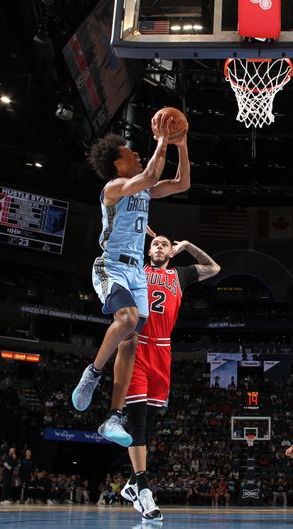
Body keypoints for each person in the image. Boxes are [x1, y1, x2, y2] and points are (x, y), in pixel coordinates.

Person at [72, 116, 191, 447]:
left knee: (130, 342)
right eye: (129, 153)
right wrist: (163, 139)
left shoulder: (145, 188)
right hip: (111, 266)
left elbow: (182, 183)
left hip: (137, 272)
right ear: (116, 163)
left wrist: (181, 144)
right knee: (124, 319)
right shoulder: (112, 188)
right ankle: (93, 374)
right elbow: (151, 173)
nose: (136, 155)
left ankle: (113, 417)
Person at [116, 235, 220, 520]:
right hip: (137, 345)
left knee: (147, 426)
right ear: (148, 250)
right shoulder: (137, 268)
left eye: (164, 244)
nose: (159, 246)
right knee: (137, 421)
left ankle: (132, 485)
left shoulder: (180, 274)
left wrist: (187, 246)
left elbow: (214, 268)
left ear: (170, 252)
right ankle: (144, 490)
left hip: (162, 350)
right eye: (155, 244)